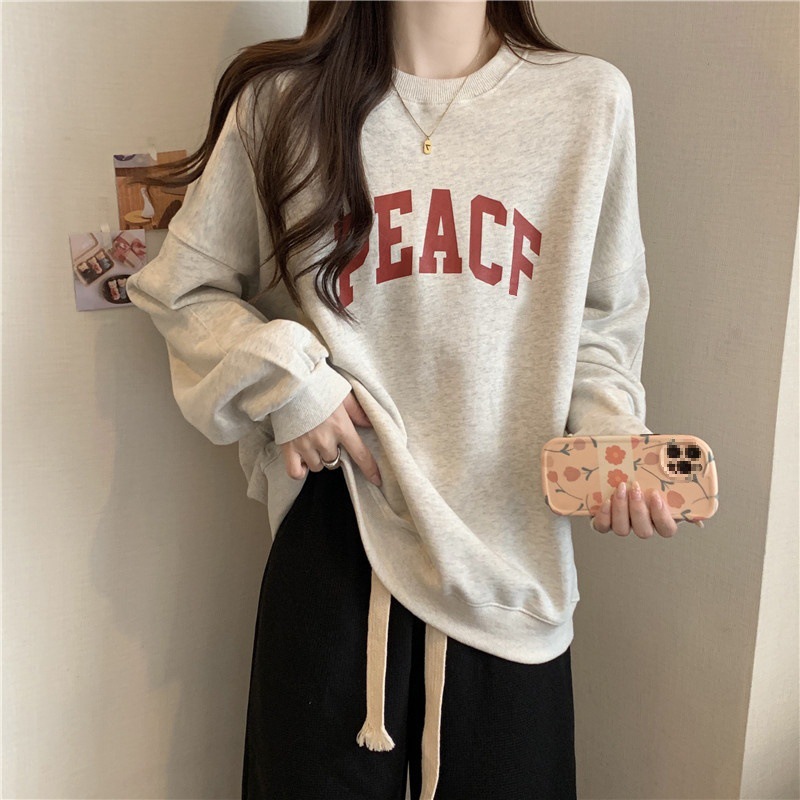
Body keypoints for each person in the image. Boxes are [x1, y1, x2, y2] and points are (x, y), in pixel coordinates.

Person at [126, 2, 702, 797]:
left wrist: (610, 442)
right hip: (339, 533)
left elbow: (600, 321)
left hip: (510, 558)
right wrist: (292, 381)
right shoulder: (284, 102)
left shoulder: (587, 101)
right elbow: (181, 290)